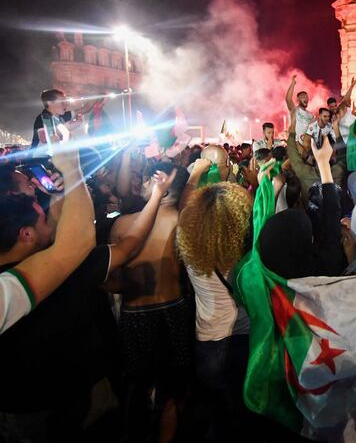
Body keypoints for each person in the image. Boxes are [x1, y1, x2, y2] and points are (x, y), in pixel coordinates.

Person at [0, 163, 176, 440]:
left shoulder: (6, 284)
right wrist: (157, 195)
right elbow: (129, 245)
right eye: (42, 218)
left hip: (19, 409)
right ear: (26, 234)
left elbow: (60, 231)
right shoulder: (68, 269)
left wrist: (64, 193)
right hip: (82, 400)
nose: (48, 217)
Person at [108, 162, 193, 441]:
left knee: (137, 388)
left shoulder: (122, 223)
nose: (140, 185)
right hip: (174, 311)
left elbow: (113, 281)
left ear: (157, 183)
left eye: (145, 181)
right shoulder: (184, 221)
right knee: (171, 391)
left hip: (135, 314)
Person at [176, 182, 253, 440]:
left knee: (218, 415)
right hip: (240, 341)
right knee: (242, 417)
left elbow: (185, 211)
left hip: (207, 342)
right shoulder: (244, 255)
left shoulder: (188, 242)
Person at [0, 144, 93, 335]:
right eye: (26, 183)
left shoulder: (15, 242)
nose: (33, 184)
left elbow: (47, 234)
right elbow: (78, 240)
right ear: (26, 234)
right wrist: (72, 168)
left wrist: (58, 195)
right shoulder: (6, 288)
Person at [258, 136, 347, 278]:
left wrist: (265, 191)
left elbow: (293, 158)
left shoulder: (269, 275)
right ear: (310, 239)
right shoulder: (329, 265)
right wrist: (324, 162)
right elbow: (332, 214)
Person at [285, 74, 314, 140]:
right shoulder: (294, 110)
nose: (306, 99)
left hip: (306, 145)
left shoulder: (310, 115)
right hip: (295, 143)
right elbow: (288, 99)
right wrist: (293, 84)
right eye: (303, 97)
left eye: (307, 97)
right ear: (298, 100)